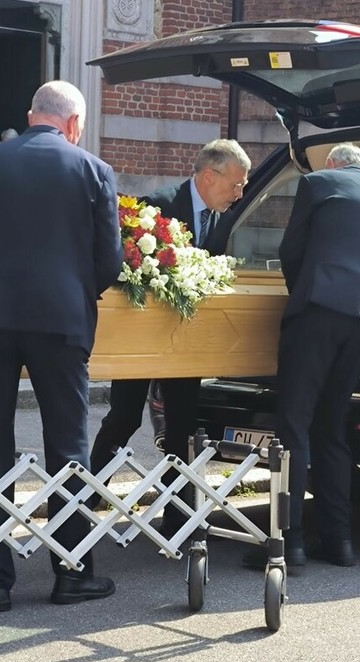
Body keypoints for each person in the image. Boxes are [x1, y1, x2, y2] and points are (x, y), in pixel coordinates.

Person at [0, 81, 122, 612]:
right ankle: (72, 570)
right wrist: (74, 293)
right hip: (60, 322)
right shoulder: (94, 170)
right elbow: (110, 261)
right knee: (68, 446)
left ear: (30, 115)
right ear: (74, 123)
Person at [244, 143, 360, 570]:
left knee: (293, 424)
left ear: (333, 163)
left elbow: (291, 251)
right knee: (331, 428)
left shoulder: (317, 183)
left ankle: (288, 540)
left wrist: (305, 294)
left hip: (319, 311)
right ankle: (339, 540)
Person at [89, 138, 251, 533]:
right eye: (236, 184)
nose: (240, 194)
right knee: (124, 417)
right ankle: (85, 498)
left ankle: (178, 516)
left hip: (187, 343)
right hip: (143, 337)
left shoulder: (228, 217)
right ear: (209, 176)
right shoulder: (157, 207)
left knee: (182, 426)